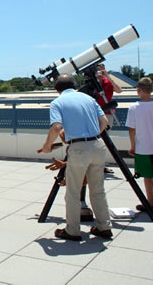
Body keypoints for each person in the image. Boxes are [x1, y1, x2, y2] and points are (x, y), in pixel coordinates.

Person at [39, 74, 112, 241]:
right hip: (98, 145)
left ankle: (72, 230)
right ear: (75, 85)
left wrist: (47, 145)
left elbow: (57, 127)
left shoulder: (57, 102)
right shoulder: (89, 99)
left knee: (72, 192)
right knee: (98, 190)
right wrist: (91, 136)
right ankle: (104, 226)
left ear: (56, 89)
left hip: (78, 148)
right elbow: (104, 121)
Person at [125, 77, 153, 212]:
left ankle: (149, 201)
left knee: (147, 175)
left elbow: (132, 129)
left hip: (142, 147)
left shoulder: (134, 108)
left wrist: (132, 145)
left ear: (138, 90)